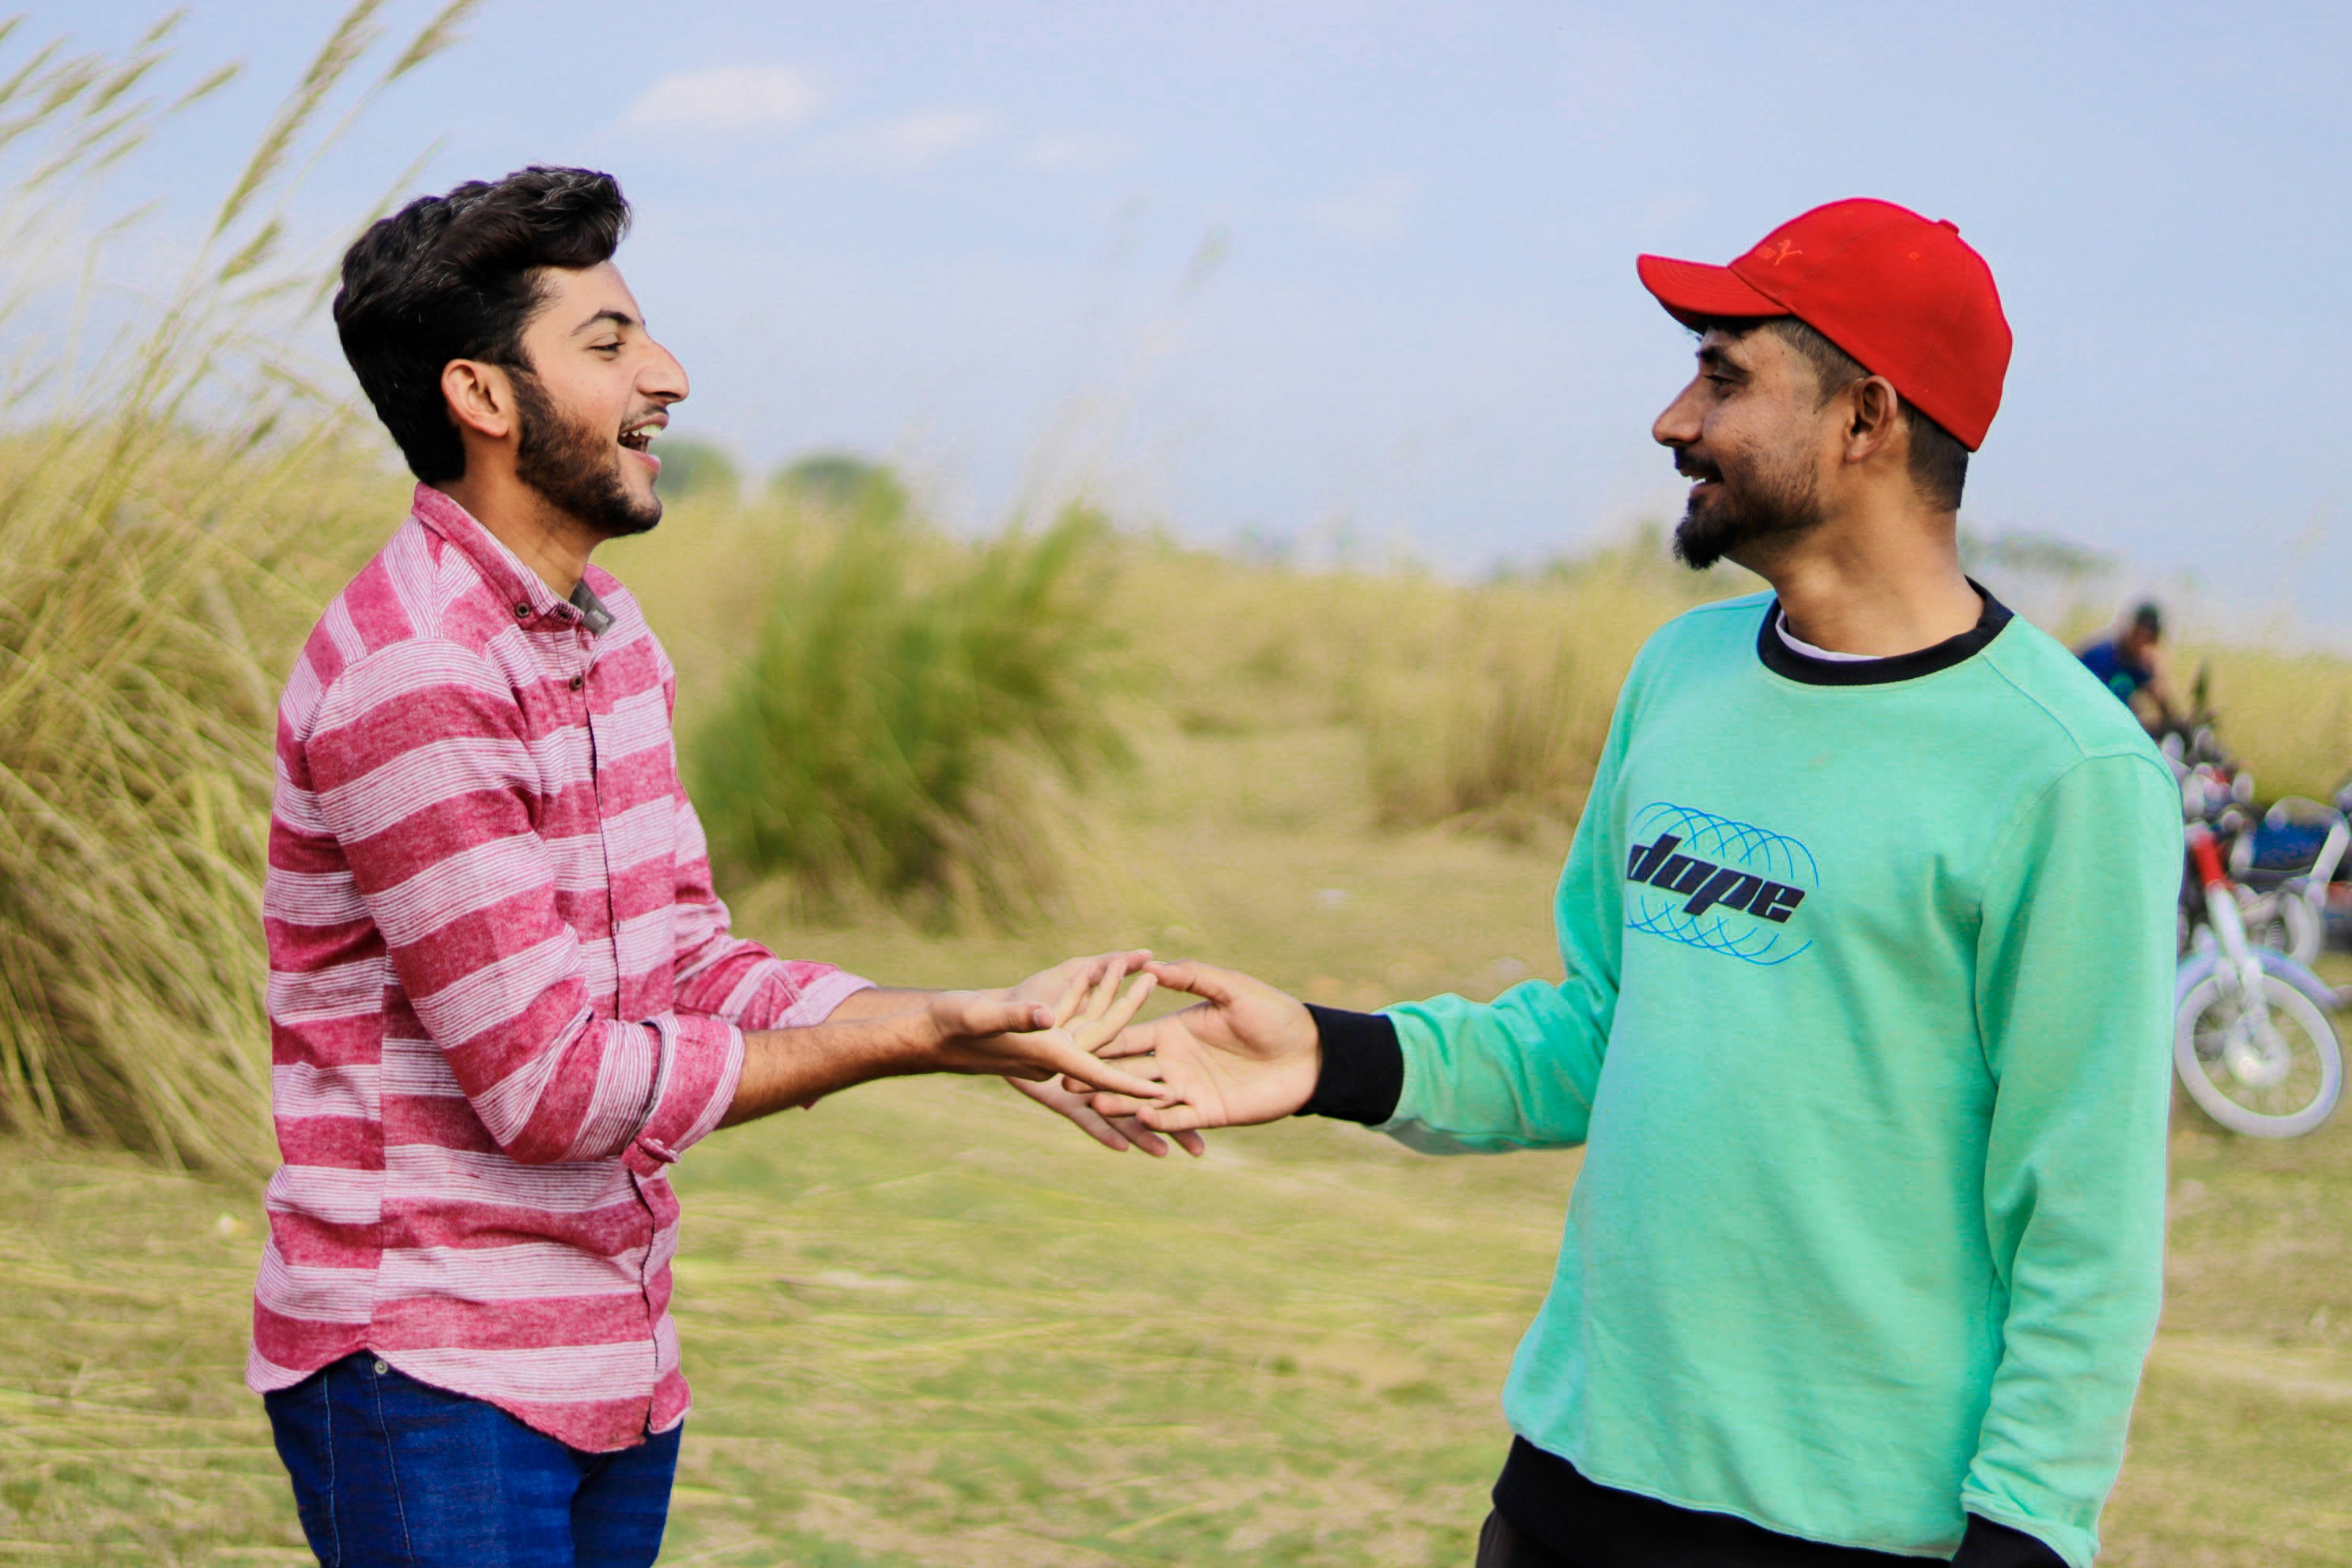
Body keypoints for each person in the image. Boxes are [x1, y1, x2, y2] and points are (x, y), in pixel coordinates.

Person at [1087, 199, 2179, 1567]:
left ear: (1867, 417)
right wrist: (1327, 1054)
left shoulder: (2066, 770)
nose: (1674, 420)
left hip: (1847, 1531)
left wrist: (2025, 1536)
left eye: (1724, 377)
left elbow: (2083, 1215)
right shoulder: (1682, 675)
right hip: (1572, 1475)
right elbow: (1601, 1029)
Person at [251, 167, 1188, 1568]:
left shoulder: (610, 638)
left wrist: (979, 1026)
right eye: (611, 342)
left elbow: (687, 961)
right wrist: (912, 1039)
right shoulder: (421, 673)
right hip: (432, 1374)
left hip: (614, 1359)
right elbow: (552, 1088)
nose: (669, 376)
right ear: (483, 396)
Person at [2075, 602, 2178, 732]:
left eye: (2148, 640)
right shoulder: (2102, 656)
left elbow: (2164, 707)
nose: (2141, 644)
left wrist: (2157, 672)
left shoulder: (2138, 665)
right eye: (2139, 636)